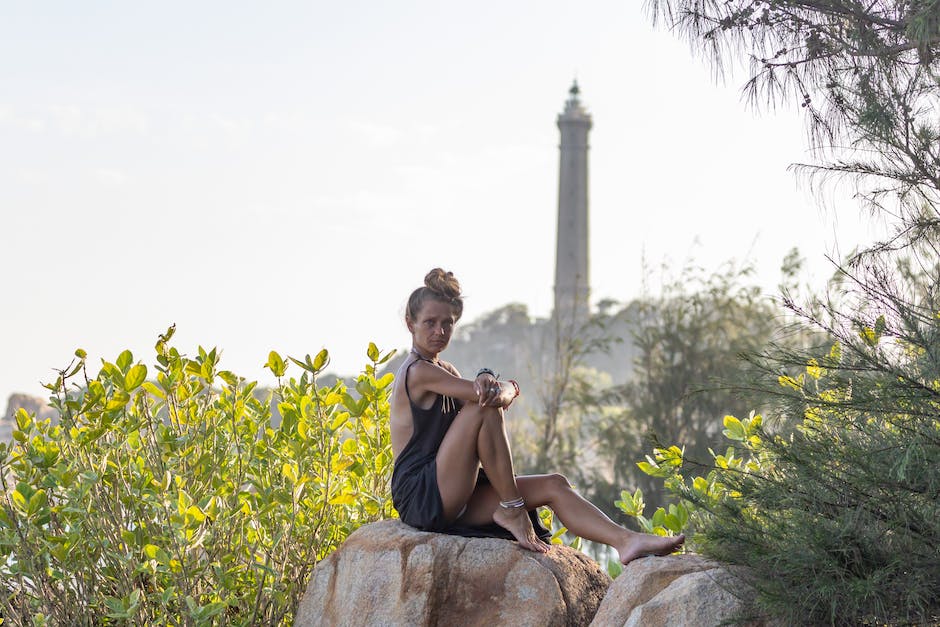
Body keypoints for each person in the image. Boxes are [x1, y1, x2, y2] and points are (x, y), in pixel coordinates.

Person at [390, 268, 684, 563]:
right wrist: (493, 384)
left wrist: (498, 384)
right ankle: (513, 508)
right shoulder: (418, 372)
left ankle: (626, 541)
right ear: (410, 323)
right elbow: (488, 400)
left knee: (554, 485)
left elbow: (500, 396)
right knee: (482, 409)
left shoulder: (446, 371)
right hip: (422, 495)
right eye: (429, 322)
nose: (439, 332)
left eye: (447, 324)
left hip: (453, 489)